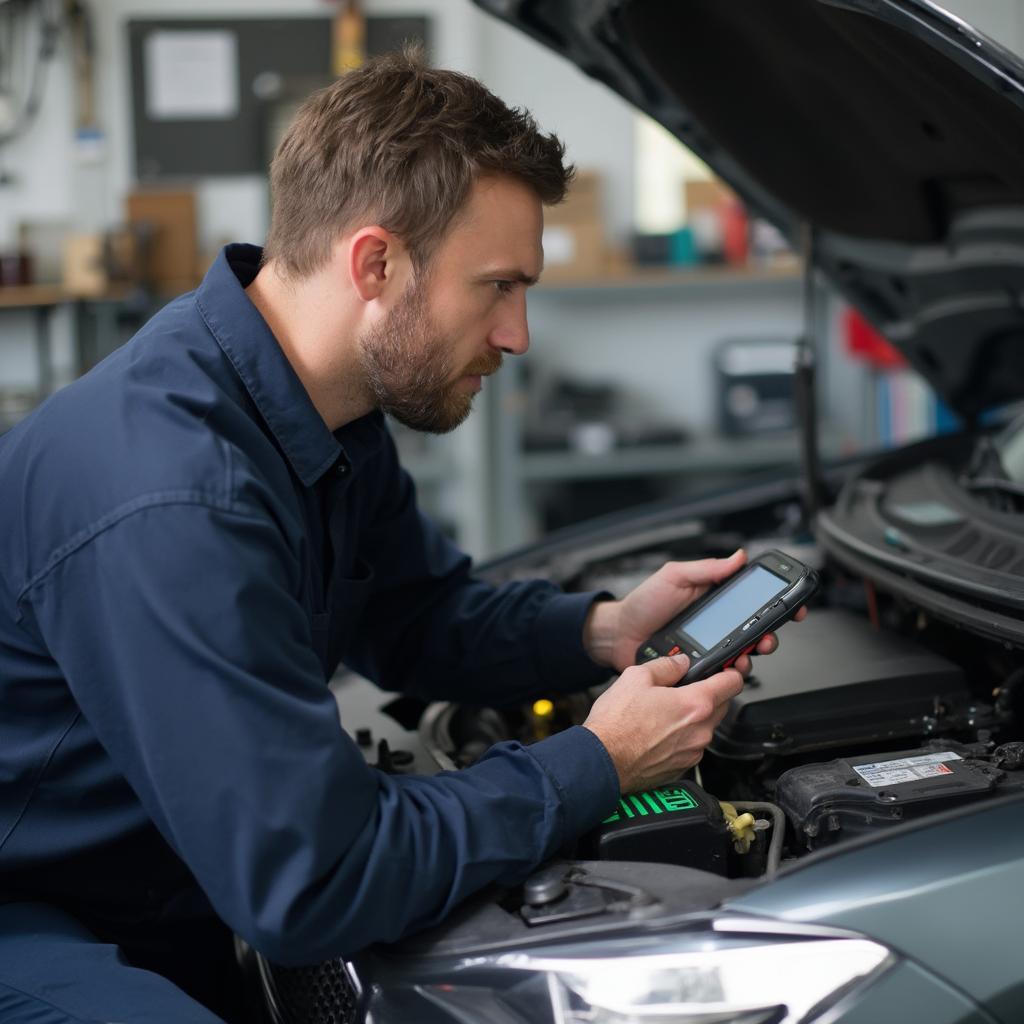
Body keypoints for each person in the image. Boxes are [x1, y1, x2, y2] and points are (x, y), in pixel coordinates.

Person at [0, 50, 796, 1023]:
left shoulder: (306, 399)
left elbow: (413, 613)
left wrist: (601, 630)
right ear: (374, 263)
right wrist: (599, 760)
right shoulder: (174, 495)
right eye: (496, 286)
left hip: (144, 873)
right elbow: (313, 881)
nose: (517, 335)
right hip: (30, 905)